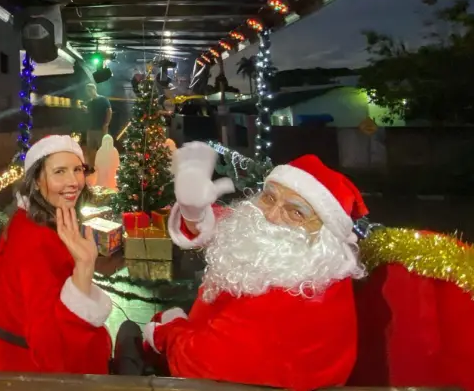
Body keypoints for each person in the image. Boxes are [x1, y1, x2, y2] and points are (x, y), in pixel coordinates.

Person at [137, 143, 369, 391]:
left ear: (325, 233)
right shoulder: (303, 260)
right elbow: (233, 229)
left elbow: (201, 366)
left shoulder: (302, 294)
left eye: (295, 213)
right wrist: (194, 212)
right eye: (269, 198)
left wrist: (167, 330)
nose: (270, 216)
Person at [0, 135, 113, 374]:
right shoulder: (36, 241)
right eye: (59, 172)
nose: (73, 182)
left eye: (77, 169)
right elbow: (52, 353)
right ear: (36, 181)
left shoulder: (32, 220)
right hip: (22, 371)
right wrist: (84, 268)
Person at [84, 83, 112, 164]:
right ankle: (91, 166)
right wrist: (86, 110)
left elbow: (109, 111)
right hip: (91, 129)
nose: (88, 92)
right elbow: (90, 112)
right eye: (87, 91)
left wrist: (106, 124)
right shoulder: (89, 102)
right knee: (90, 149)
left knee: (102, 149)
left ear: (94, 89)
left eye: (89, 90)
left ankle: (104, 165)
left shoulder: (103, 99)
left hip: (101, 129)